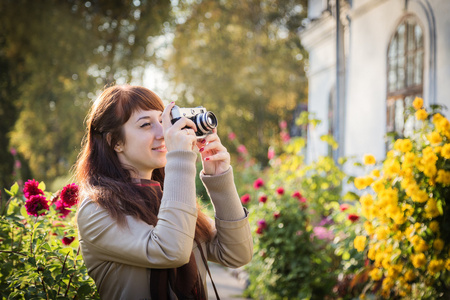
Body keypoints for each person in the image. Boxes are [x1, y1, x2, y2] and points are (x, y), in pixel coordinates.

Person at [75, 85, 253, 300]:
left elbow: (236, 253)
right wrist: (179, 157)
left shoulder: (166, 197)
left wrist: (219, 179)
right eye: (146, 125)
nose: (163, 133)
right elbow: (171, 250)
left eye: (163, 121)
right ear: (115, 142)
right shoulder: (97, 208)